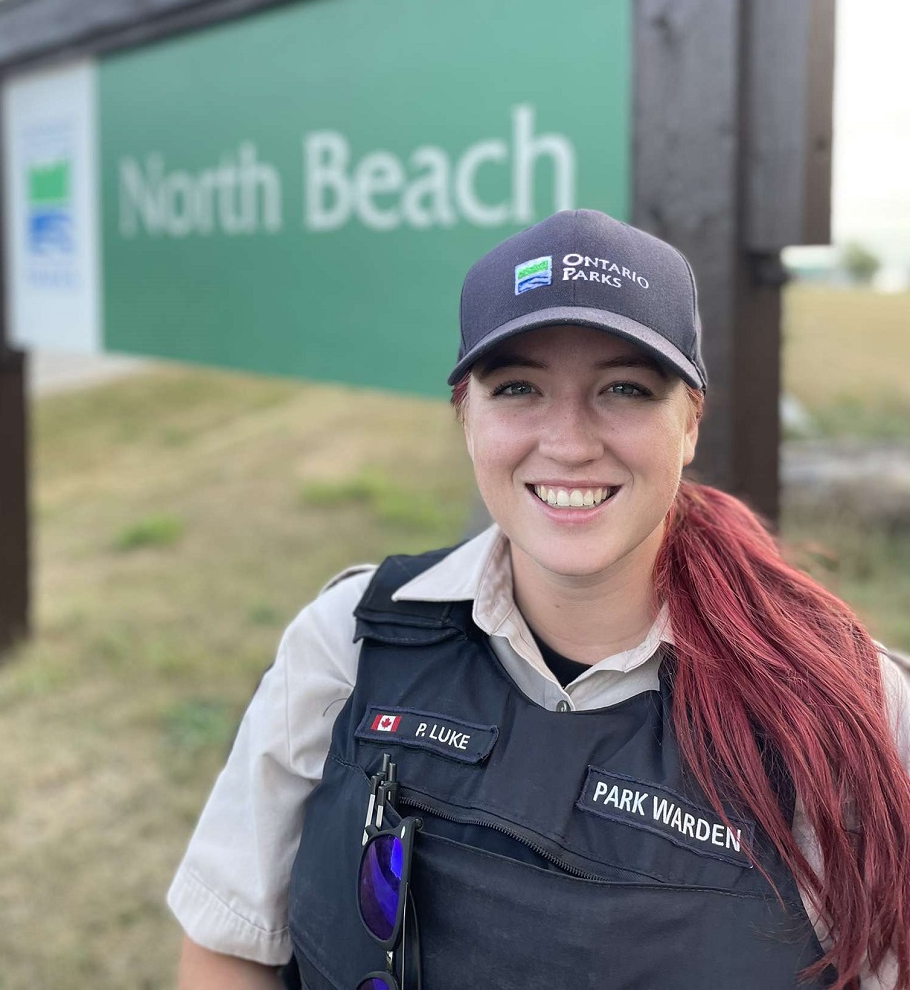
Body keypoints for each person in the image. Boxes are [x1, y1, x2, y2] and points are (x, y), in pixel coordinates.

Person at [170, 209, 910, 990]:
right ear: (466, 416)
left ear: (689, 421)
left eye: (624, 388)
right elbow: (231, 944)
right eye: (519, 386)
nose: (568, 441)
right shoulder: (346, 641)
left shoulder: (851, 709)